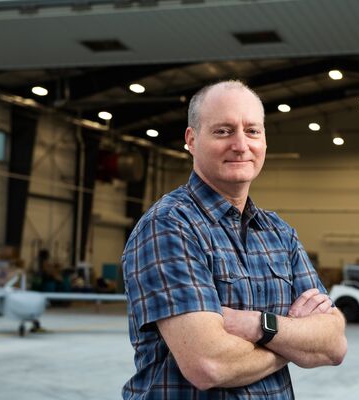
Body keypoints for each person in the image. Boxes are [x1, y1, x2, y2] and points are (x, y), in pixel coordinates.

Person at [121, 80, 347, 399]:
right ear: (192, 139)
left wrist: (258, 325)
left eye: (252, 131)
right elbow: (208, 364)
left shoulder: (279, 233)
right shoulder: (170, 225)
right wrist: (292, 344)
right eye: (224, 131)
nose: (241, 145)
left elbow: (334, 344)